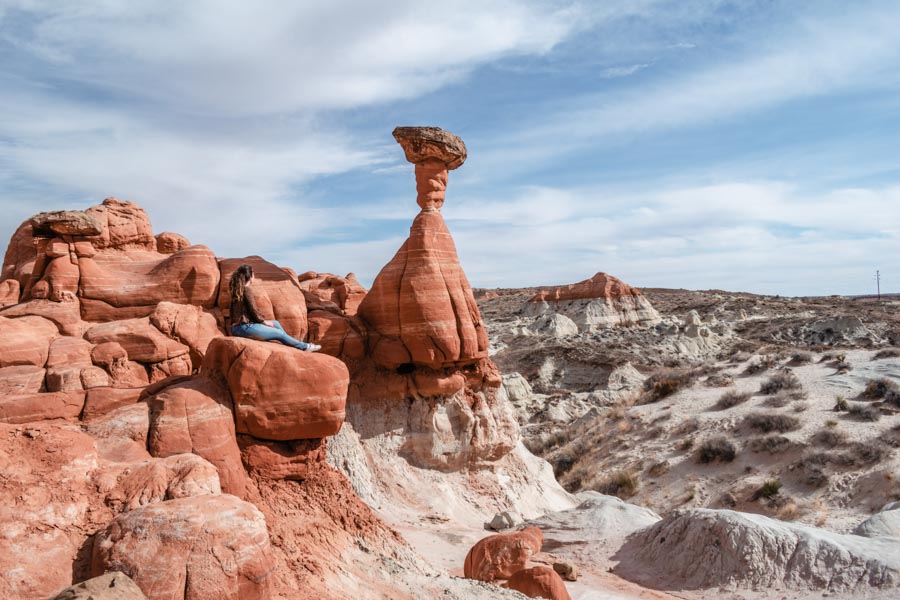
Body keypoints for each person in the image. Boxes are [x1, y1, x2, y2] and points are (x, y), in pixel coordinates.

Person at [228, 264, 321, 351]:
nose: (254, 276)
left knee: (275, 323)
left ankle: (290, 344)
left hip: (237, 329)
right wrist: (264, 322)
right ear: (250, 276)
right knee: (278, 333)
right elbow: (253, 310)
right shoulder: (246, 290)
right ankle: (304, 346)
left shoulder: (237, 291)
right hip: (244, 328)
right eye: (253, 274)